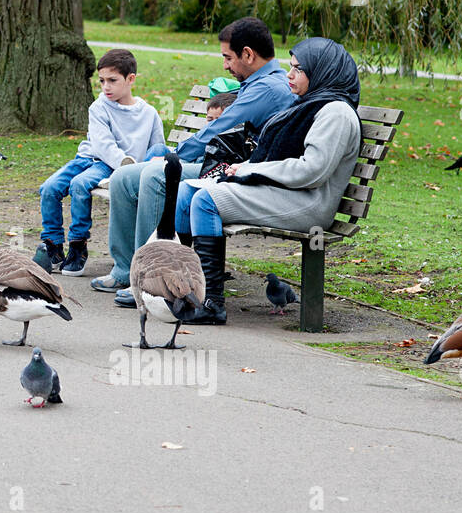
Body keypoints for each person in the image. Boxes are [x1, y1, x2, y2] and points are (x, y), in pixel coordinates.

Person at [92, 17, 296, 307]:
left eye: (228, 57)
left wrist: (174, 154)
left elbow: (220, 127)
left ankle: (149, 278)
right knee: (125, 179)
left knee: (155, 175)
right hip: (221, 160)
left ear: (248, 54)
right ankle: (125, 269)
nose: (225, 65)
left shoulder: (267, 88)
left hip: (236, 170)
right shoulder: (258, 82)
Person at [174, 37, 362, 325]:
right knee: (188, 191)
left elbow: (311, 171)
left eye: (298, 69)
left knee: (206, 200)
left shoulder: (335, 112)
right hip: (288, 192)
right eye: (291, 67)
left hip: (309, 205)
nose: (289, 75)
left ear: (323, 71)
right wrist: (244, 166)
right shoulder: (312, 104)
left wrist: (252, 172)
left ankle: (211, 303)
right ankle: (184, 290)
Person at [38, 48, 165, 276]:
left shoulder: (149, 114)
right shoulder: (99, 107)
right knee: (48, 188)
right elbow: (102, 144)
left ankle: (78, 246)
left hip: (112, 167)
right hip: (89, 158)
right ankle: (53, 247)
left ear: (131, 79)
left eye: (112, 81)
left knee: (79, 186)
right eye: (102, 81)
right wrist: (123, 163)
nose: (106, 87)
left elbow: (157, 148)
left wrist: (132, 170)